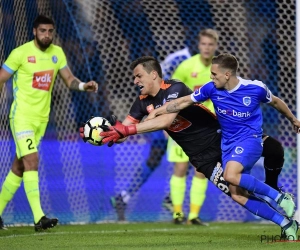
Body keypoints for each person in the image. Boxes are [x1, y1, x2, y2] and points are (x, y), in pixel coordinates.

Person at [96, 56, 298, 239]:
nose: (135, 81)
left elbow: (164, 121)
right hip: (202, 157)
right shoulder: (140, 103)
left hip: (223, 136)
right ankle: (287, 224)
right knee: (237, 194)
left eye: (138, 76)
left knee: (274, 149)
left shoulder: (174, 88)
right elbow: (123, 130)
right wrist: (108, 133)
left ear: (153, 74)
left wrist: (128, 130)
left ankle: (277, 191)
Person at [0, 15, 98, 231]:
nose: (47, 35)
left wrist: (83, 86)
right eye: (42, 31)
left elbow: (69, 79)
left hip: (41, 120)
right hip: (22, 117)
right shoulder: (20, 53)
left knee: (19, 166)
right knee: (32, 161)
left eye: (50, 31)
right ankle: (39, 218)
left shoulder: (57, 53)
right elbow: (1, 77)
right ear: (34, 31)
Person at [163, 28, 218, 225]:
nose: (206, 48)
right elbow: (171, 94)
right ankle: (177, 213)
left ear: (215, 46)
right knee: (180, 168)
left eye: (210, 44)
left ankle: (194, 215)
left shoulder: (218, 70)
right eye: (203, 44)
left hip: (207, 128)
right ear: (198, 45)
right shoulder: (187, 67)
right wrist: (165, 123)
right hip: (183, 126)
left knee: (201, 170)